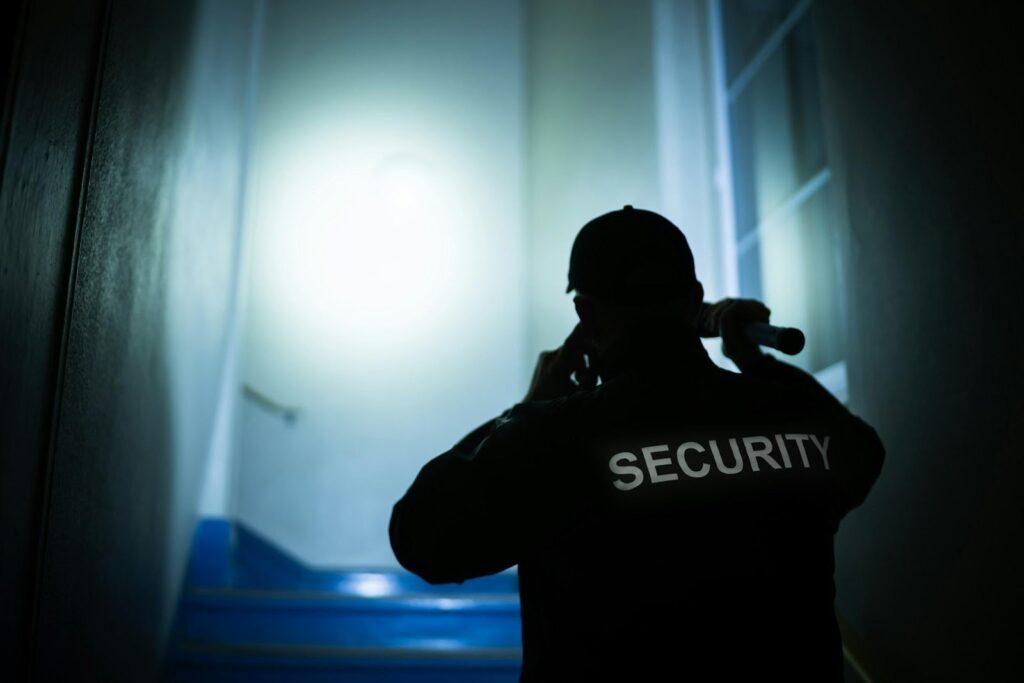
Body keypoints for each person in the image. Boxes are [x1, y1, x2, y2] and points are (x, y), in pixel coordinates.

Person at [389, 206, 884, 681]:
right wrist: (755, 361)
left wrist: (526, 407)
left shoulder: (553, 437)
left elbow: (420, 537)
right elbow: (863, 453)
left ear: (585, 313)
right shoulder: (791, 417)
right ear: (695, 300)